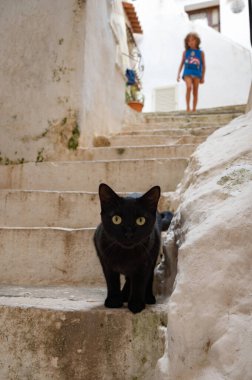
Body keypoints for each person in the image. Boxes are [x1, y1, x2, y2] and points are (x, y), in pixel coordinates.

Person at [177, 32, 206, 112]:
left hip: (197, 73)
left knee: (195, 92)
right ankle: (188, 107)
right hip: (187, 72)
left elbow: (203, 65)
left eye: (193, 40)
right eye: (189, 41)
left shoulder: (201, 53)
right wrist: (178, 74)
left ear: (197, 41)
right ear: (187, 43)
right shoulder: (185, 52)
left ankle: (194, 109)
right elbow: (181, 63)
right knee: (189, 87)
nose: (191, 42)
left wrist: (203, 77)